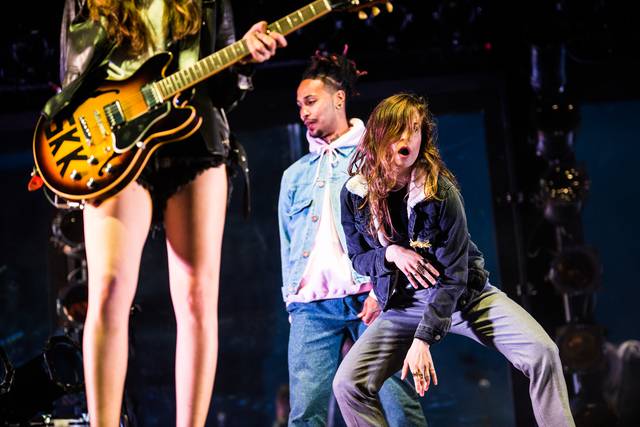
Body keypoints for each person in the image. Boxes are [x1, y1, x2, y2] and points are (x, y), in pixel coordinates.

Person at [57, 0, 286, 425]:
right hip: (116, 148)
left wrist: (246, 61)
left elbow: (222, 92)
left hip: (194, 139)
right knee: (106, 292)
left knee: (198, 298)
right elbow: (71, 79)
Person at [334, 93, 576, 426]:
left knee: (542, 353)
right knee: (348, 384)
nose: (407, 139)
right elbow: (359, 259)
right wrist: (391, 253)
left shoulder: (439, 192)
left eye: (415, 130)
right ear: (378, 135)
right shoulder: (354, 194)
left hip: (464, 297)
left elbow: (453, 275)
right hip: (402, 306)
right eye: (398, 130)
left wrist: (423, 339)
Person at [278, 51, 428, 426]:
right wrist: (291, 301)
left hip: (370, 295)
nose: (304, 112)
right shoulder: (294, 176)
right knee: (305, 413)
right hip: (312, 306)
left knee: (397, 399)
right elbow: (287, 241)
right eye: (299, 106)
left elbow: (400, 224)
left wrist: (384, 289)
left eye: (311, 101)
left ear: (339, 98)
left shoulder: (373, 155)